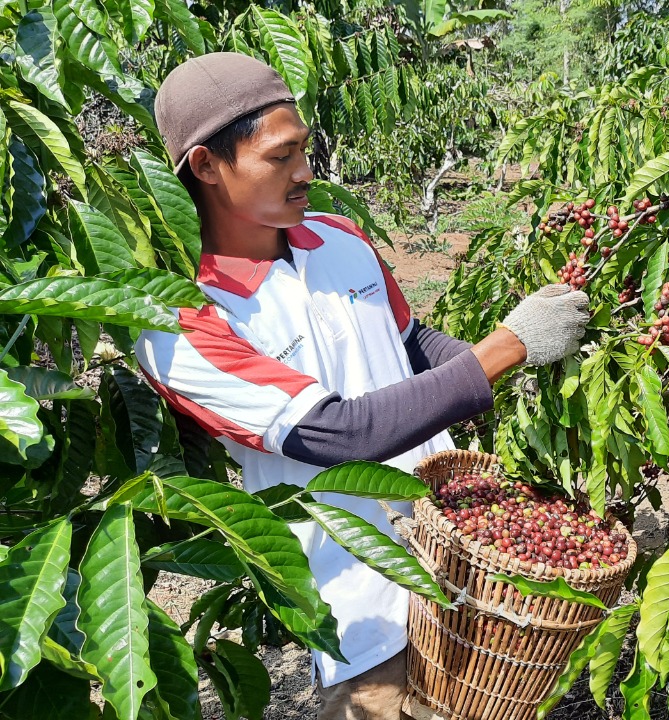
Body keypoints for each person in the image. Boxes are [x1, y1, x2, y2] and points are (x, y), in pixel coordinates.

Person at [136, 52, 590, 720]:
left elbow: (409, 343)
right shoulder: (182, 317)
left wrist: (517, 363)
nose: (305, 173)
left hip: (452, 532)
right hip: (352, 577)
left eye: (306, 150)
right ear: (206, 166)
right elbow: (336, 432)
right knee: (384, 704)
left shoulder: (336, 236)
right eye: (280, 156)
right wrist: (505, 347)